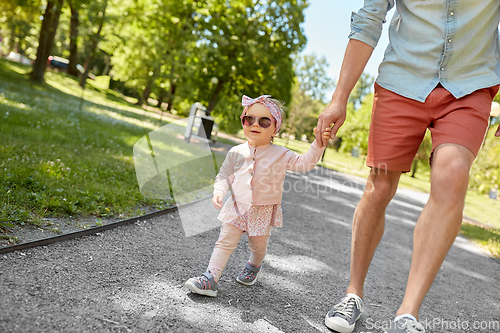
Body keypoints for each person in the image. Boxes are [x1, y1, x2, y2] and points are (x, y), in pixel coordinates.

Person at [316, 1, 500, 333]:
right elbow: (369, 18)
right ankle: (353, 294)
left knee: (453, 173)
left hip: (470, 86)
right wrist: (339, 97)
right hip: (402, 81)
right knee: (379, 186)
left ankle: (407, 315)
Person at [185, 95, 331, 297]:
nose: (255, 124)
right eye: (249, 119)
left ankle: (254, 265)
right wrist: (219, 191)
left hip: (262, 210)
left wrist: (319, 144)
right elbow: (224, 175)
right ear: (243, 122)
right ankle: (210, 278)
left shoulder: (281, 154)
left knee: (258, 246)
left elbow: (305, 163)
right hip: (236, 206)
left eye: (264, 121)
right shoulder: (236, 151)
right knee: (225, 242)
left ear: (275, 128)